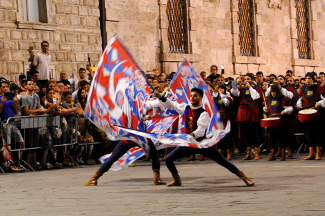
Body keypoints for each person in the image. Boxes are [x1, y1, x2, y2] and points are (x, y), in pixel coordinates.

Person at [154, 88, 254, 187]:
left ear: (200, 98)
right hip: (189, 143)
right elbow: (171, 105)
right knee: (168, 159)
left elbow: (201, 131)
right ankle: (177, 180)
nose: (192, 98)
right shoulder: (185, 108)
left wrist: (192, 135)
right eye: (191, 95)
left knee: (222, 161)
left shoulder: (203, 113)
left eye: (195, 96)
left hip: (202, 143)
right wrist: (160, 97)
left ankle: (244, 177)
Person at [84, 98, 166, 186]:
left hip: (130, 137)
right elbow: (156, 103)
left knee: (113, 158)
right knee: (155, 156)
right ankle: (157, 179)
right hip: (141, 137)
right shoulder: (141, 103)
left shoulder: (122, 107)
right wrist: (162, 96)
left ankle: (94, 178)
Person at [231, 73, 263, 160]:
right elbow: (234, 93)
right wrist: (235, 83)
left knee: (254, 133)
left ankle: (256, 152)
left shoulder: (257, 89)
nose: (246, 81)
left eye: (248, 79)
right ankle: (249, 153)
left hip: (253, 112)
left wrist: (250, 87)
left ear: (252, 80)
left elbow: (256, 97)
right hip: (243, 112)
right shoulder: (241, 89)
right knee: (246, 133)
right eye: (245, 79)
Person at [297, 72, 325, 160]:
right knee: (309, 133)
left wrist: (319, 103)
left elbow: (324, 99)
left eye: (309, 78)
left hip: (316, 113)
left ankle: (318, 153)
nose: (308, 80)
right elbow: (300, 99)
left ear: (313, 79)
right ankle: (311, 153)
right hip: (307, 112)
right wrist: (299, 104)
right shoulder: (304, 88)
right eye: (306, 78)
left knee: (317, 133)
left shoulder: (318, 88)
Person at [264, 85, 293, 161]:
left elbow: (290, 108)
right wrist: (265, 109)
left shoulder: (283, 99)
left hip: (280, 120)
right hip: (272, 120)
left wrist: (285, 111)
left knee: (281, 138)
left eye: (275, 92)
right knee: (272, 138)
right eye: (272, 92)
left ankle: (283, 155)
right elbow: (267, 111)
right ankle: (272, 154)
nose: (273, 93)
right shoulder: (269, 100)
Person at [0, 80, 25, 167]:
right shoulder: (0, 98)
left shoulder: (10, 97)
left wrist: (15, 102)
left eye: (6, 87)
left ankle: (18, 162)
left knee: (21, 142)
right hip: (4, 123)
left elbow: (16, 111)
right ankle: (8, 163)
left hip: (12, 122)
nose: (5, 88)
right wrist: (2, 102)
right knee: (8, 144)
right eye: (3, 87)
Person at [21, 79, 43, 169]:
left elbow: (39, 107)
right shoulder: (24, 97)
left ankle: (33, 161)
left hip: (34, 121)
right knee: (29, 141)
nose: (32, 86)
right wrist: (37, 111)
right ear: (26, 86)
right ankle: (28, 162)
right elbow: (26, 110)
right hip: (27, 122)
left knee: (35, 141)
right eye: (29, 84)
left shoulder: (36, 96)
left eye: (33, 84)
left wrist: (35, 112)